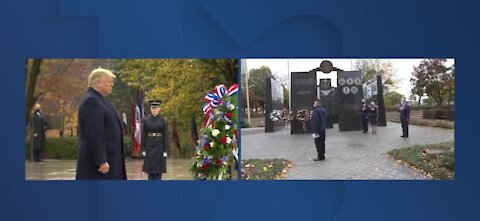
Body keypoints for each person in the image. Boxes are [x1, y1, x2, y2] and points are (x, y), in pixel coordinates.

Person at [76, 68, 127, 180]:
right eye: (109, 82)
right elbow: (95, 133)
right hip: (100, 167)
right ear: (98, 83)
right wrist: (102, 160)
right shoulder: (91, 101)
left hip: (111, 159)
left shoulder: (99, 99)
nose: (112, 85)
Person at [141, 100, 168, 180]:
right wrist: (143, 149)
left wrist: (165, 150)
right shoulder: (146, 120)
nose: (154, 109)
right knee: (150, 171)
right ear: (150, 109)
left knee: (158, 171)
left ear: (159, 109)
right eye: (153, 108)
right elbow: (144, 135)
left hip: (159, 146)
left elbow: (165, 136)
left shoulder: (163, 120)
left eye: (156, 108)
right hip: (149, 146)